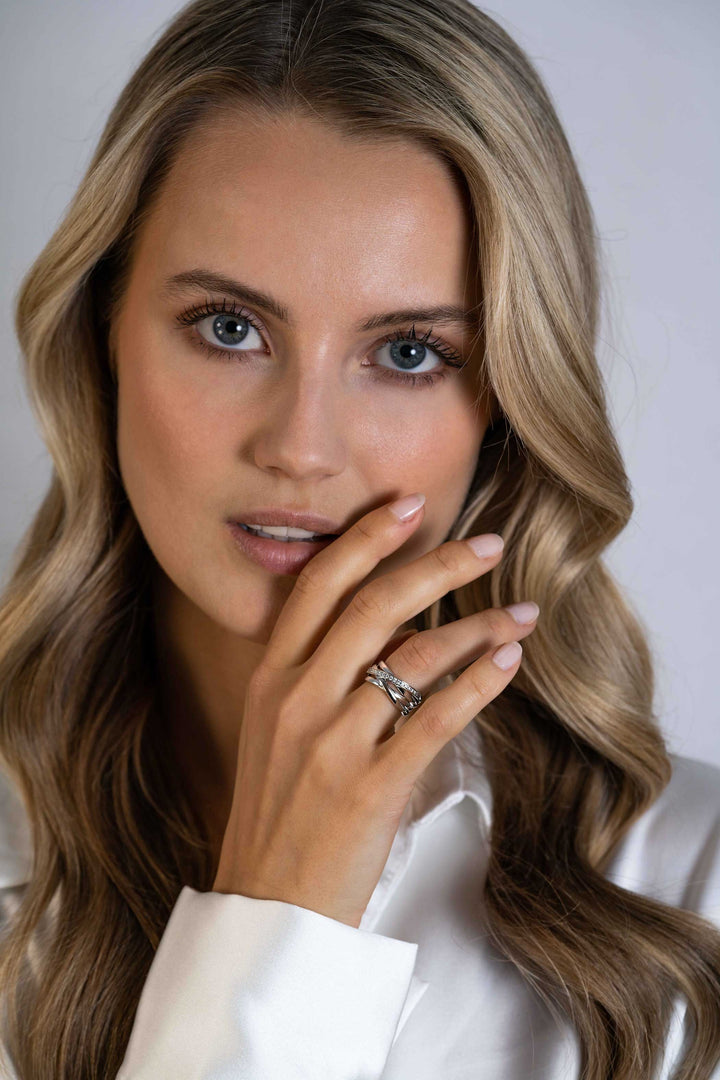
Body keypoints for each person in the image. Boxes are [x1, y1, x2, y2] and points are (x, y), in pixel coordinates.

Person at [0, 0, 719, 1076]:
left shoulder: (692, 881)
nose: (301, 446)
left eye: (412, 352)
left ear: (509, 401)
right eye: (229, 329)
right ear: (99, 338)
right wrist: (276, 917)